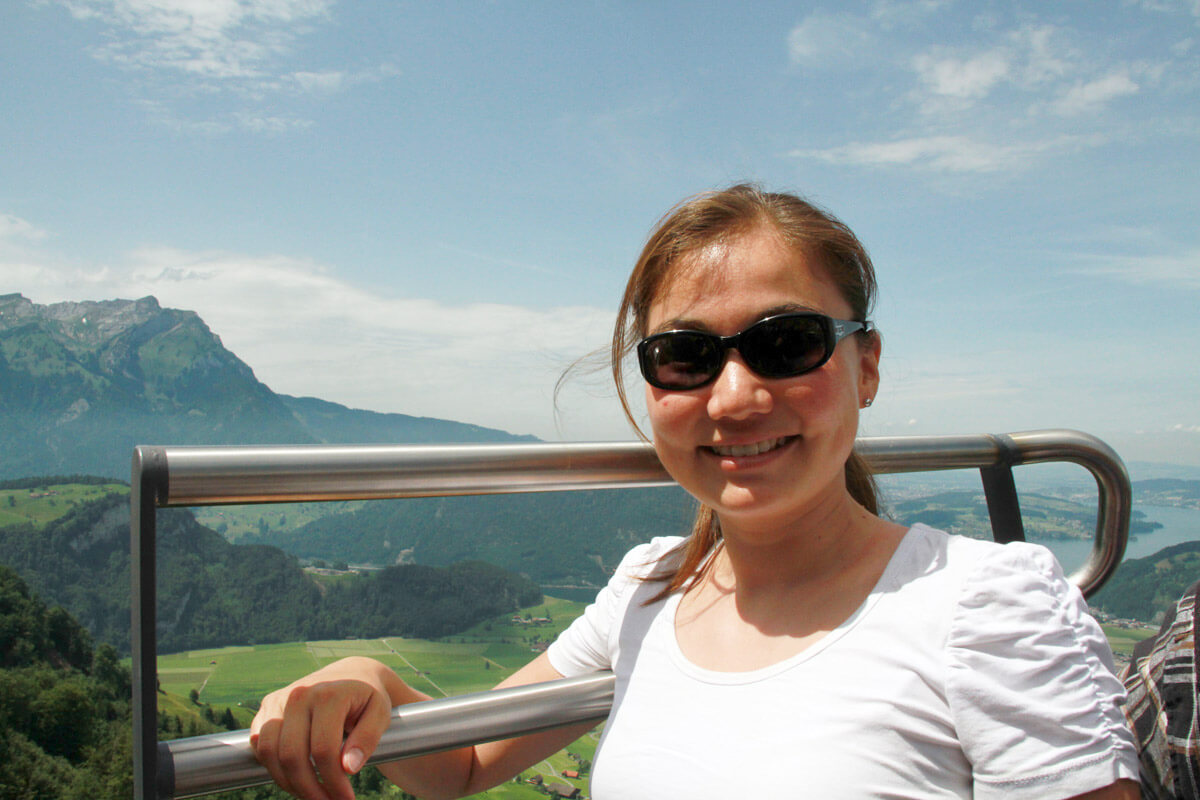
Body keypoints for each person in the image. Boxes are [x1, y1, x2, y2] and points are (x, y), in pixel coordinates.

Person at [250, 185, 1141, 799]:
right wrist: (369, 681)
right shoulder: (651, 587)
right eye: (686, 355)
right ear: (650, 387)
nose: (735, 396)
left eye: (787, 343)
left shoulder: (991, 608)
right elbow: (471, 761)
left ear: (865, 368)